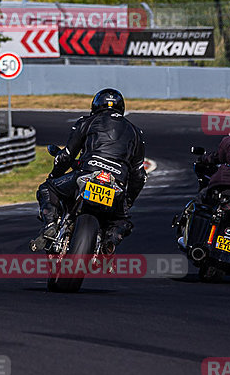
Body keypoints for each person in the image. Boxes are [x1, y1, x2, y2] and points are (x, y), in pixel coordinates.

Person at [32, 88, 146, 253]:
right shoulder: (137, 133)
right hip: (117, 184)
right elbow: (139, 175)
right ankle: (110, 242)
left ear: (95, 106)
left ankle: (50, 225)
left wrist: (54, 175)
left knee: (47, 188)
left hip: (87, 174)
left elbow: (66, 156)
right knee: (122, 220)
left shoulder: (87, 121)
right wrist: (128, 201)